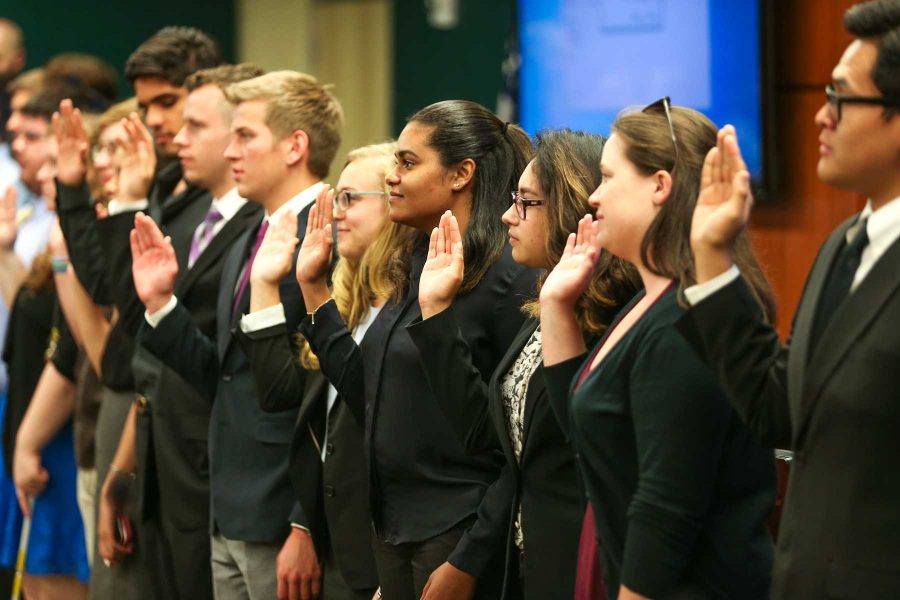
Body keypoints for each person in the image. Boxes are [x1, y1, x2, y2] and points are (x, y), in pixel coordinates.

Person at [677, 0, 900, 597]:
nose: (821, 118)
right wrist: (713, 258)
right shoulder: (842, 246)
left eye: (841, 98)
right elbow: (780, 412)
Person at [297, 99, 538, 600]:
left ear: (460, 174)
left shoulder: (507, 276)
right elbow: (371, 393)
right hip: (395, 526)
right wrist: (314, 290)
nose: (392, 177)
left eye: (408, 163)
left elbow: (513, 449)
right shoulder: (419, 259)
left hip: (457, 532)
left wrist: (469, 561)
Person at [538, 101, 777, 599]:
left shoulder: (685, 322)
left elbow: (667, 508)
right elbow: (588, 438)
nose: (594, 196)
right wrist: (557, 306)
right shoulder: (651, 304)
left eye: (607, 176)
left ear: (660, 186)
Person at [131, 69, 343, 600]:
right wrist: (162, 305)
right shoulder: (252, 233)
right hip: (228, 508)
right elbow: (227, 377)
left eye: (245, 136)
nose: (230, 152)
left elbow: (336, 403)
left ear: (295, 145)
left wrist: (304, 521)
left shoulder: (335, 241)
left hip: (286, 516)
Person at [406, 129, 640, 599]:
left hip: (586, 567)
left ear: (570, 211)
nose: (508, 215)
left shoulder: (611, 319)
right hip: (527, 566)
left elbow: (591, 455)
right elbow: (489, 440)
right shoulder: (543, 307)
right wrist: (435, 312)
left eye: (526, 202)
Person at [87, 64, 264, 600]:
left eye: (196, 126)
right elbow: (139, 330)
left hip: (212, 467)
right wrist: (124, 468)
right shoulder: (194, 214)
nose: (177, 138)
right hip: (160, 455)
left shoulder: (258, 224)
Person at [239, 142, 413, 599]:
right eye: (337, 198)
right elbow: (280, 394)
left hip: (387, 553)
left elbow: (376, 411)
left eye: (351, 199)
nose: (336, 213)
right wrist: (265, 283)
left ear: (395, 204)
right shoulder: (347, 306)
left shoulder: (411, 310)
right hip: (336, 545)